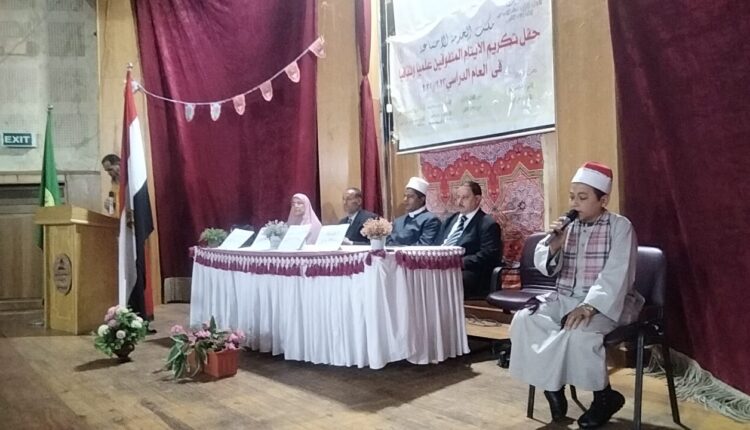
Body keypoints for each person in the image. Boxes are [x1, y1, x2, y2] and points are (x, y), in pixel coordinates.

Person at [509, 162, 644, 428]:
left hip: (608, 302)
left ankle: (604, 397)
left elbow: (617, 274)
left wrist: (590, 306)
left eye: (583, 197)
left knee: (579, 332)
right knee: (525, 319)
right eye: (572, 196)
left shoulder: (620, 227)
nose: (574, 203)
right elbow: (544, 266)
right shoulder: (567, 225)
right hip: (564, 297)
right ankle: (552, 386)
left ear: (603, 200)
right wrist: (554, 246)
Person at [436, 181, 502, 299]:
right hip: (441, 266)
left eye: (465, 198)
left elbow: (488, 256)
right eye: (457, 197)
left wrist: (457, 262)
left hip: (469, 271)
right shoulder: (450, 220)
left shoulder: (487, 224)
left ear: (477, 199)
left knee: (441, 281)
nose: (459, 202)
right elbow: (437, 244)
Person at [387, 176, 441, 246]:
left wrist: (399, 249)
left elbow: (423, 245)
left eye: (410, 196)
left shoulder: (431, 220)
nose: (405, 200)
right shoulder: (398, 221)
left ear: (422, 199)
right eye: (404, 196)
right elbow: (388, 243)